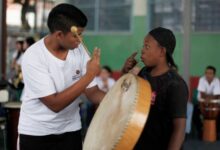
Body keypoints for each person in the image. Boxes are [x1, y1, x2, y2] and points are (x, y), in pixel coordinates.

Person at [18, 4, 105, 150]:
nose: (80, 40)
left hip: (70, 130)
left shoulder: (79, 51)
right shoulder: (34, 56)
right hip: (37, 133)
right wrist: (89, 75)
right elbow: (55, 104)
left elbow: (93, 93)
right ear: (59, 34)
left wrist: (120, 100)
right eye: (76, 35)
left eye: (82, 34)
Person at [122, 27, 188, 150]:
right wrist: (124, 73)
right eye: (143, 46)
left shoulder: (175, 84)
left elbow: (179, 129)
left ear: (162, 51)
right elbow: (125, 97)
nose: (142, 50)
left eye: (147, 47)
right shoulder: (144, 73)